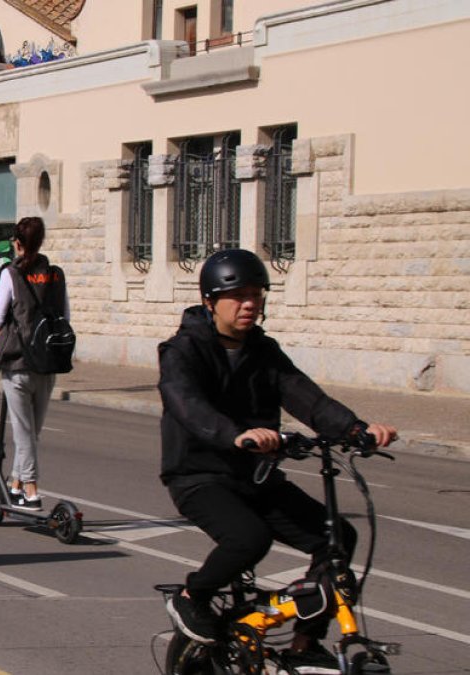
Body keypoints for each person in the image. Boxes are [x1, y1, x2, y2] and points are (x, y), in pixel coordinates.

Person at [158, 248, 396, 674]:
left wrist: (356, 430)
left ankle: (305, 643)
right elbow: (187, 405)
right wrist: (237, 435)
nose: (249, 304)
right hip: (199, 475)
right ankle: (192, 596)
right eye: (238, 296)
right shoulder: (182, 350)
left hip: (256, 473)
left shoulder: (264, 351)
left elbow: (307, 398)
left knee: (336, 539)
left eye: (256, 295)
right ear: (210, 301)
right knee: (248, 539)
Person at [0, 216, 71, 511]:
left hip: (18, 363)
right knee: (32, 433)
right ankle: (15, 486)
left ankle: (31, 491)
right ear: (40, 242)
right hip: (49, 362)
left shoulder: (11, 274)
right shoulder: (56, 274)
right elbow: (65, 315)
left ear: (16, 243)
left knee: (23, 433)